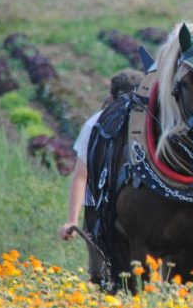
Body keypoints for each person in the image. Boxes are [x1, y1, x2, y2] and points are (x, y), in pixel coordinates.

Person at [58, 70, 143, 244]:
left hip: (134, 208)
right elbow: (82, 176)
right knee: (102, 267)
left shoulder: (146, 127)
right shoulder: (96, 125)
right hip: (99, 209)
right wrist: (72, 221)